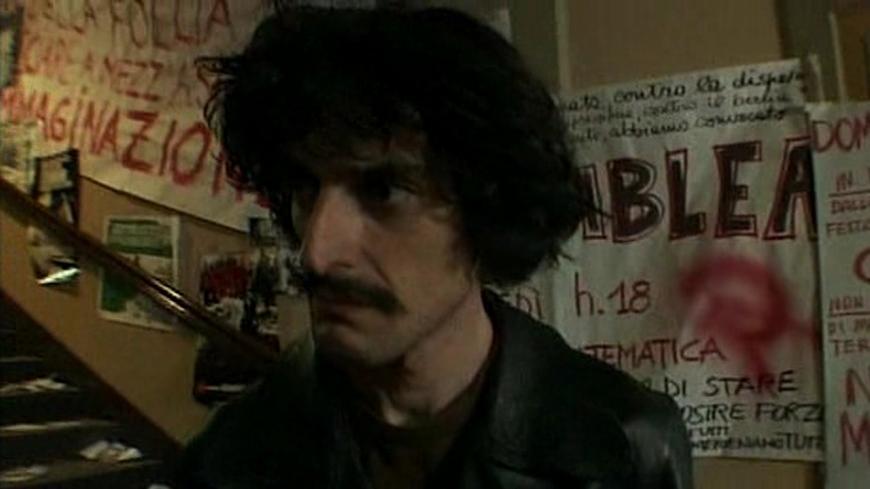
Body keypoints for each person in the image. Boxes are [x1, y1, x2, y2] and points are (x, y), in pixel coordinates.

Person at [180, 4, 693, 489]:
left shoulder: (621, 447)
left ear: (486, 212)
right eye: (305, 188)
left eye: (383, 191)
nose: (317, 252)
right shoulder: (232, 458)